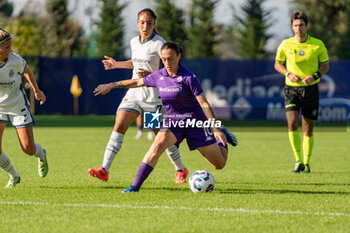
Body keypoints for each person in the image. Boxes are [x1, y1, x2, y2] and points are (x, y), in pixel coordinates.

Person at [93, 42, 238, 193]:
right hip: (173, 123)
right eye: (164, 59)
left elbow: (204, 103)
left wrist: (215, 129)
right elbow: (136, 82)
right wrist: (112, 84)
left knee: (219, 164)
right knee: (156, 147)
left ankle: (223, 140)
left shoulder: (188, 77)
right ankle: (135, 187)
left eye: (170, 58)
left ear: (179, 56)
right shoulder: (159, 75)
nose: (167, 63)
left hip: (195, 123)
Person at [88, 8, 188, 183]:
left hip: (153, 97)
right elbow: (135, 63)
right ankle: (104, 169)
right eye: (142, 22)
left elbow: (169, 68)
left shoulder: (159, 44)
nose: (145, 26)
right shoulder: (134, 41)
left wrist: (150, 74)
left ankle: (180, 168)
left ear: (154, 24)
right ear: (137, 23)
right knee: (119, 124)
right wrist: (116, 64)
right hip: (134, 93)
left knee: (161, 136)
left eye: (149, 23)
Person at [274, 12, 329, 173]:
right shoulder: (285, 44)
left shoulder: (317, 45)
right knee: (292, 123)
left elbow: (325, 65)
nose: (298, 28)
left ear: (306, 26)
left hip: (311, 90)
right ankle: (298, 161)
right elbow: (277, 64)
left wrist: (315, 76)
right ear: (292, 26)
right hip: (291, 89)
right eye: (295, 25)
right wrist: (287, 74)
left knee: (308, 129)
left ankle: (306, 162)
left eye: (301, 25)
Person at [0, 28, 48, 188]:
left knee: (28, 149)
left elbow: (27, 71)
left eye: (10, 46)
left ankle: (41, 154)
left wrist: (37, 90)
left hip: (17, 106)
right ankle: (14, 175)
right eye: (6, 47)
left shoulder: (15, 60)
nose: (10, 50)